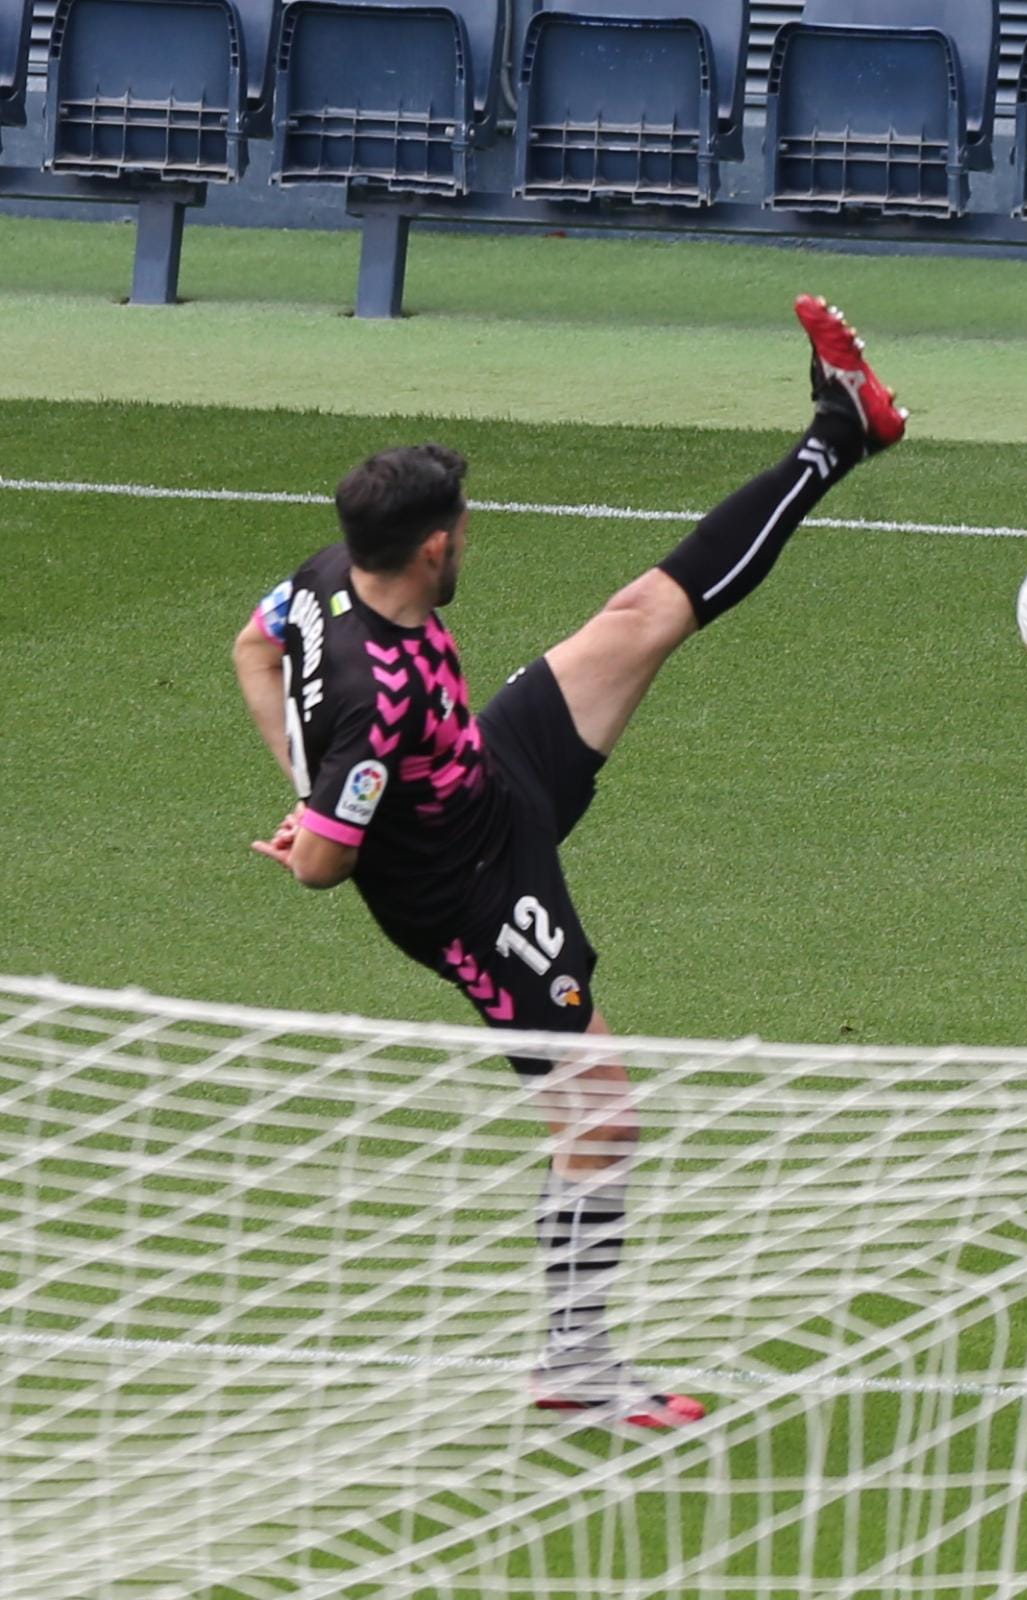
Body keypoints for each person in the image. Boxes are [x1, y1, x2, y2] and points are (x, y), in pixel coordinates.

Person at [233, 296, 907, 1426]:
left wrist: (304, 786)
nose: (467, 540)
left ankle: (843, 429)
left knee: (645, 611)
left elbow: (253, 650)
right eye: (466, 525)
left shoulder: (323, 577)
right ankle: (576, 1361)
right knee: (603, 1115)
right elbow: (324, 868)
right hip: (470, 893)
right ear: (436, 544)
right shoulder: (371, 697)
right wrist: (318, 811)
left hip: (487, 778)